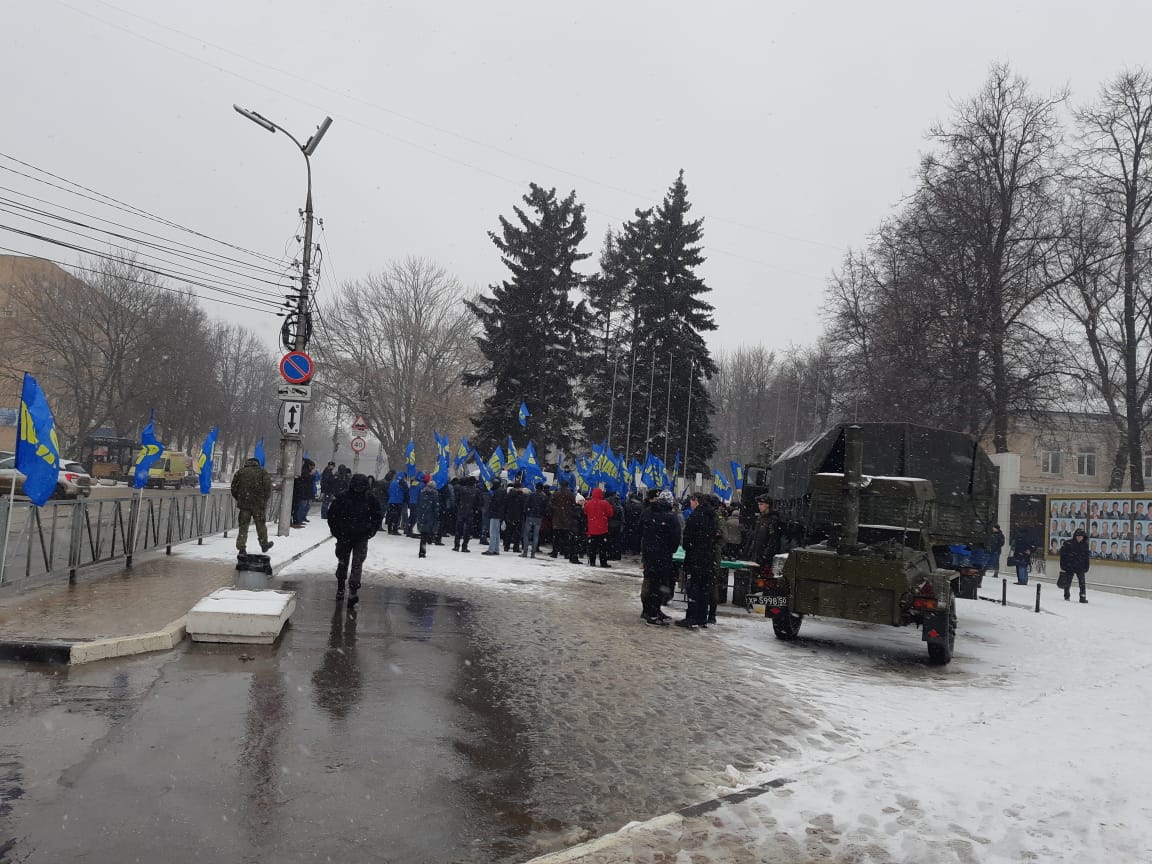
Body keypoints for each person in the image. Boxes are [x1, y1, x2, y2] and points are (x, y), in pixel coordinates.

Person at [326, 473, 382, 607]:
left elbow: (377, 516)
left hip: (358, 536)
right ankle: (343, 587)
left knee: (354, 563)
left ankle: (351, 590)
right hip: (347, 535)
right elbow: (332, 516)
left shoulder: (368, 499)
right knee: (345, 563)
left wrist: (371, 530)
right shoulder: (344, 498)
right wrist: (337, 532)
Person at [639, 489, 681, 625]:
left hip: (649, 553)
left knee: (650, 581)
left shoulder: (647, 512)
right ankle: (653, 613)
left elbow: (640, 530)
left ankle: (650, 611)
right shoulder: (670, 516)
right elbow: (676, 537)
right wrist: (670, 550)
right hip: (663, 555)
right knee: (658, 584)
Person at [677, 493, 717, 629]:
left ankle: (692, 617)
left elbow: (687, 538)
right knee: (704, 588)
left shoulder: (695, 516)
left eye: (692, 501)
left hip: (695, 557)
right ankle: (701, 617)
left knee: (693, 588)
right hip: (708, 557)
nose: (691, 504)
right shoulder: (712, 516)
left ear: (696, 501)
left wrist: (688, 545)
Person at [230, 457, 274, 555]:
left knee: (243, 526)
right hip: (258, 504)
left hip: (244, 504)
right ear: (257, 464)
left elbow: (233, 488)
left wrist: (239, 498)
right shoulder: (262, 472)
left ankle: (241, 548)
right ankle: (264, 544)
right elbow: (268, 488)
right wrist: (264, 499)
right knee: (261, 525)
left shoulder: (240, 472)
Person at [584, 487, 614, 567]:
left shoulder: (588, 503)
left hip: (591, 529)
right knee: (603, 548)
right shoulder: (605, 503)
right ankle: (603, 563)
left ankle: (592, 562)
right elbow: (610, 513)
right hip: (602, 529)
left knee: (592, 547)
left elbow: (585, 512)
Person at [1059, 528, 1090, 602]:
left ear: (1083, 537)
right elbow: (1063, 555)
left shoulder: (1085, 545)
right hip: (1070, 566)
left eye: (1081, 536)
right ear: (1075, 536)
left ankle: (1082, 597)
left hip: (1080, 567)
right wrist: (1064, 565)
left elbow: (1086, 557)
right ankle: (1066, 596)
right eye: (1078, 536)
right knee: (1068, 582)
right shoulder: (1068, 543)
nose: (1079, 538)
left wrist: (1086, 566)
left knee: (1082, 583)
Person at [747, 495, 780, 565]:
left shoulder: (772, 520)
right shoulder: (760, 519)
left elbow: (773, 539)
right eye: (758, 504)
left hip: (763, 557)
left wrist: (765, 554)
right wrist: (751, 550)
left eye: (761, 504)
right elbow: (755, 537)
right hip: (756, 555)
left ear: (768, 505)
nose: (759, 506)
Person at [549, 481, 578, 561]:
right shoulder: (571, 495)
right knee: (566, 538)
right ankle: (566, 553)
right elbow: (573, 506)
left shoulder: (556, 494)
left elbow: (550, 504)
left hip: (557, 519)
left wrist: (555, 510)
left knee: (556, 537)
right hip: (567, 519)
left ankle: (555, 552)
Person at [453, 476, 480, 552]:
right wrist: (475, 509)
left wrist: (459, 507)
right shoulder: (476, 491)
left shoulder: (462, 489)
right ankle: (464, 546)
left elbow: (457, 500)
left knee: (458, 529)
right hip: (470, 512)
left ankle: (456, 545)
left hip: (462, 511)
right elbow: (479, 502)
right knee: (467, 531)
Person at [416, 474, 440, 558]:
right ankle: (423, 551)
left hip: (422, 516)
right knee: (426, 534)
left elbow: (419, 505)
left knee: (423, 535)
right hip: (430, 517)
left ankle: (422, 551)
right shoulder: (434, 495)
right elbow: (436, 507)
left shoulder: (422, 493)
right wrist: (437, 515)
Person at [521, 482, 548, 558]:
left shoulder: (531, 495)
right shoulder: (543, 497)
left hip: (530, 516)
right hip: (538, 517)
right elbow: (545, 508)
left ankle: (525, 551)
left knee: (526, 534)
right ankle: (533, 553)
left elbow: (526, 505)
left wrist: (527, 512)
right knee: (536, 535)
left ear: (536, 487)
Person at [482, 480, 506, 555]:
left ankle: (491, 549)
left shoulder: (497, 492)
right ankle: (496, 549)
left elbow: (495, 504)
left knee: (493, 532)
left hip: (495, 514)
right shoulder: (502, 491)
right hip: (499, 514)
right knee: (497, 532)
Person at [290, 458, 315, 528]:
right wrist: (311, 475)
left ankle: (297, 521)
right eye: (312, 466)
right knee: (298, 507)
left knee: (298, 507)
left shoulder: (305, 471)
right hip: (301, 492)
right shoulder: (304, 471)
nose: (312, 468)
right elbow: (306, 480)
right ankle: (297, 521)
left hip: (301, 492)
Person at [503, 480, 526, 553]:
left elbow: (505, 505)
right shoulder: (521, 496)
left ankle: (506, 546)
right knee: (517, 533)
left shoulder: (509, 494)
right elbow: (523, 507)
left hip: (509, 515)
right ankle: (515, 547)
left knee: (508, 532)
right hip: (518, 516)